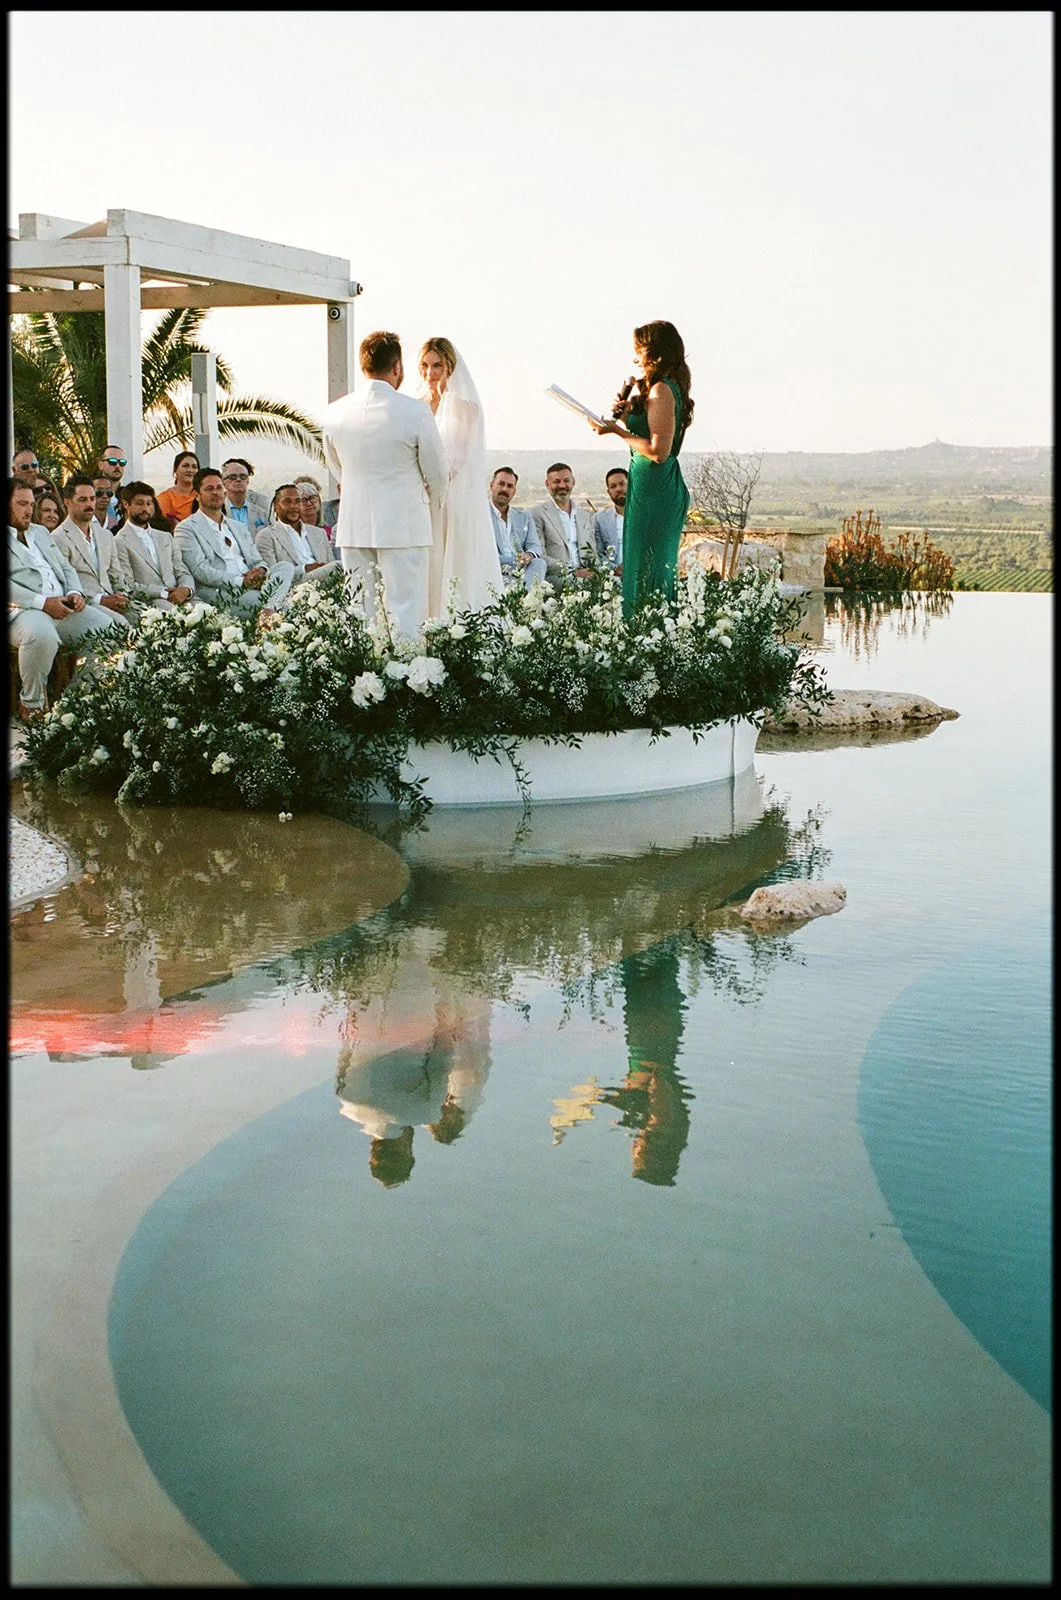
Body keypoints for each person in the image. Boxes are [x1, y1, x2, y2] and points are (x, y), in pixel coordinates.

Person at [322, 330, 448, 643]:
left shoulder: (335, 412)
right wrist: (430, 506)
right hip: (404, 524)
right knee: (405, 609)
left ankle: (364, 681)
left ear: (364, 366)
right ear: (397, 367)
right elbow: (437, 473)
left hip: (354, 524)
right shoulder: (415, 411)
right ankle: (405, 681)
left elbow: (337, 466)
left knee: (360, 609)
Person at [587, 319, 693, 616]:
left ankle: (654, 638)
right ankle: (641, 637)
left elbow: (659, 451)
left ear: (655, 354)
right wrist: (622, 419)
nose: (636, 359)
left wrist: (617, 432)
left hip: (657, 489)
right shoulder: (658, 389)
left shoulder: (661, 390)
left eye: (640, 351)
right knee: (638, 566)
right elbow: (645, 437)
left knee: (651, 569)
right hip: (645, 486)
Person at [8, 478, 127, 722]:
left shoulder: (40, 532)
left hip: (62, 603)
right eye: (21, 504)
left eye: (31, 504)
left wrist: (75, 592)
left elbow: (65, 566)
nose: (29, 510)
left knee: (110, 630)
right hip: (23, 610)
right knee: (41, 635)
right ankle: (32, 703)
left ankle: (76, 700)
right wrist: (44, 603)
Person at [416, 337, 504, 617]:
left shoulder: (467, 409)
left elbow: (458, 460)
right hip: (420, 499)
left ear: (450, 367)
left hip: (454, 499)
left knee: (455, 564)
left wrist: (433, 481)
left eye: (437, 366)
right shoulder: (414, 406)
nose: (430, 373)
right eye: (425, 366)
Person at [175, 467, 294, 611]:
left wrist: (260, 571)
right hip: (223, 590)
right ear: (197, 495)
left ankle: (268, 610)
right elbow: (201, 571)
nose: (216, 492)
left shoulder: (237, 526)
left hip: (254, 585)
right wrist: (241, 581)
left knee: (285, 567)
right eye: (209, 489)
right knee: (287, 608)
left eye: (219, 487)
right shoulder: (187, 528)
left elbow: (258, 561)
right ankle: (270, 609)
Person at [51, 476, 134, 629]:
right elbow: (66, 582)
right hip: (86, 604)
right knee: (120, 626)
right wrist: (101, 600)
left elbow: (116, 573)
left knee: (150, 618)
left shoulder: (105, 535)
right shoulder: (58, 538)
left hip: (113, 599)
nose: (89, 504)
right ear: (67, 502)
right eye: (82, 500)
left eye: (91, 498)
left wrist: (122, 594)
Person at [114, 481, 195, 609]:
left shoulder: (165, 537)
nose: (145, 509)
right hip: (151, 602)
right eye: (139, 503)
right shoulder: (119, 541)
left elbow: (182, 570)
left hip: (181, 596)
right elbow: (128, 585)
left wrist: (186, 589)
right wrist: (164, 593)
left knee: (209, 612)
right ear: (126, 504)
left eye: (149, 503)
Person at [256, 483, 339, 585]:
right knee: (339, 566)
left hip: (325, 585)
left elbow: (331, 563)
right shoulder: (266, 536)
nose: (293, 506)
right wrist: (305, 569)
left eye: (298, 501)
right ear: (276, 507)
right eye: (287, 502)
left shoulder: (318, 533)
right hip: (295, 585)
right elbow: (272, 574)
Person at [529, 463, 597, 586]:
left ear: (573, 482)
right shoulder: (537, 514)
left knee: (616, 583)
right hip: (558, 577)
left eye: (566, 481)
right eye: (556, 481)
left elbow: (593, 552)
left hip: (586, 574)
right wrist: (573, 571)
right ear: (547, 484)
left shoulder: (585, 516)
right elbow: (540, 555)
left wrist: (595, 571)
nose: (562, 486)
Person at [488, 467, 546, 591]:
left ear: (514, 491)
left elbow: (535, 545)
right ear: (491, 485)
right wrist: (516, 561)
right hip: (495, 570)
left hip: (524, 572)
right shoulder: (481, 516)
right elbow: (485, 554)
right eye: (501, 484)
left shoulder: (524, 517)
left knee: (539, 563)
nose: (505, 489)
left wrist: (529, 555)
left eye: (510, 486)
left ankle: (528, 602)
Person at [221, 457, 269, 536]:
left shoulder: (262, 514)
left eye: (243, 476)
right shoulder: (217, 512)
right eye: (233, 476)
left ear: (248, 481)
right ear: (223, 481)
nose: (238, 479)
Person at [593, 467, 628, 572]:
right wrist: (615, 569)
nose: (618, 489)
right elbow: (598, 552)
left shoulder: (645, 516)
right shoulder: (599, 519)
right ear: (609, 492)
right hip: (612, 577)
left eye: (622, 484)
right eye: (613, 486)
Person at [155, 450, 200, 530]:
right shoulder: (165, 498)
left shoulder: (202, 495)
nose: (190, 470)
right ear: (175, 470)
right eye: (185, 466)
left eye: (194, 467)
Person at [95, 444, 129, 530]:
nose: (118, 466)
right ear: (100, 465)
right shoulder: (90, 495)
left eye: (122, 462)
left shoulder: (130, 496)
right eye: (112, 461)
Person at [293, 475, 333, 540]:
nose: (309, 503)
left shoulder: (329, 532)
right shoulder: (293, 533)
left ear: (319, 501)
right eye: (303, 500)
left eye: (312, 498)